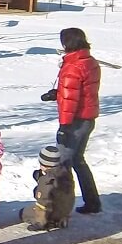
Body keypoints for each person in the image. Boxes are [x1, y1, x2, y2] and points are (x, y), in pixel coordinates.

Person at [42, 27, 102, 214]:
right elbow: (79, 93)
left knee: (63, 165)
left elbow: (71, 101)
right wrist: (58, 94)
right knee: (78, 160)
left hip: (74, 121)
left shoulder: (73, 66)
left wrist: (65, 126)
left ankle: (59, 207)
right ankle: (92, 201)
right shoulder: (89, 61)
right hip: (87, 118)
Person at [19, 145, 75, 231]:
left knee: (23, 213)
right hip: (65, 210)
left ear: (43, 164)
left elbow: (43, 204)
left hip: (50, 212)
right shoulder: (65, 173)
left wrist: (40, 223)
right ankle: (61, 219)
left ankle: (50, 222)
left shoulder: (46, 181)